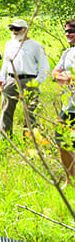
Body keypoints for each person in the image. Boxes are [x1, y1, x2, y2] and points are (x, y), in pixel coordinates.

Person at [0, 18, 49, 137]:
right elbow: (5, 64)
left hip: (29, 80)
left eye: (17, 29)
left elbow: (45, 67)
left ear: (25, 30)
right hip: (11, 79)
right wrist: (2, 81)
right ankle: (6, 137)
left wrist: (37, 82)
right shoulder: (9, 44)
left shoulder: (35, 45)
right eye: (12, 29)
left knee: (30, 112)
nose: (14, 31)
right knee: (6, 110)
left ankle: (29, 139)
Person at [52, 19, 75, 186]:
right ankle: (70, 180)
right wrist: (66, 77)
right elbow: (54, 74)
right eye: (66, 30)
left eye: (72, 30)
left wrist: (69, 77)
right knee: (61, 142)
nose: (68, 33)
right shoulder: (67, 53)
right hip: (68, 107)